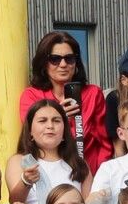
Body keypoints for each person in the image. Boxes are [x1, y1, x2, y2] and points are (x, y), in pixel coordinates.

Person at [18, 31, 110, 175]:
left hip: (89, 176)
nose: (63, 64)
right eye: (55, 59)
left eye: (69, 58)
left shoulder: (93, 93)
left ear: (76, 62)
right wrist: (58, 116)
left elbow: (105, 144)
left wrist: (100, 178)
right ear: (44, 64)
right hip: (50, 176)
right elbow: (33, 139)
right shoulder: (31, 96)